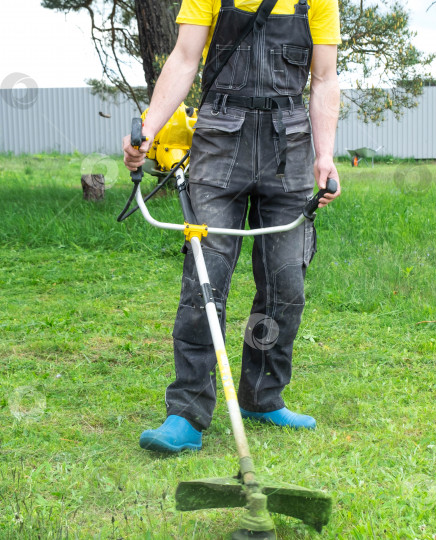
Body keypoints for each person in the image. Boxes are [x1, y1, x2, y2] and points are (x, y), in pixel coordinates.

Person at [122, 0, 341, 453]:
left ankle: (262, 396)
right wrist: (147, 127)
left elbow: (324, 79)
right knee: (206, 278)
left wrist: (325, 155)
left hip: (291, 145)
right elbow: (184, 59)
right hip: (220, 141)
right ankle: (186, 413)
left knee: (286, 282)